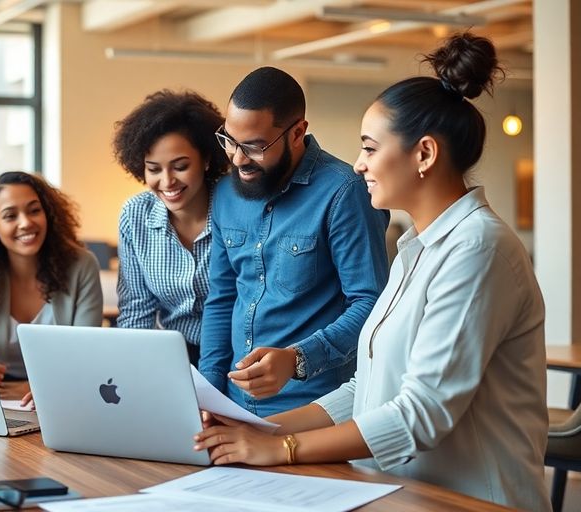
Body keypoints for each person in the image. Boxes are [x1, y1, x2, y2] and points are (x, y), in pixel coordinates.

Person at [194, 33, 549, 511]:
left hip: (473, 500)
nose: (358, 165)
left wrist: (280, 449)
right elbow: (370, 387)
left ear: (423, 154)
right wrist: (263, 430)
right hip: (405, 494)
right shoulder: (415, 249)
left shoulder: (478, 249)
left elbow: (420, 415)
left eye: (369, 147)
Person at [199, 67, 390, 417]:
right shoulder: (226, 193)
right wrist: (209, 391)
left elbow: (371, 305)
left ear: (298, 131)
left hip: (313, 407)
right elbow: (222, 298)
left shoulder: (344, 192)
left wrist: (297, 360)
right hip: (230, 403)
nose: (238, 159)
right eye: (229, 141)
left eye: (255, 147)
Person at [0, 171, 103, 403]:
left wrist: (52, 386)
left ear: (48, 215)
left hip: (69, 390)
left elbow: (87, 351)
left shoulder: (82, 265)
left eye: (34, 210)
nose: (25, 223)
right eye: (10, 216)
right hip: (4, 396)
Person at [111, 90, 230, 366]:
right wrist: (130, 373)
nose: (167, 182)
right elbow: (135, 311)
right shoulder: (135, 216)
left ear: (207, 159)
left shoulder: (234, 206)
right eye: (153, 169)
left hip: (236, 352)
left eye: (180, 166)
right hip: (173, 357)